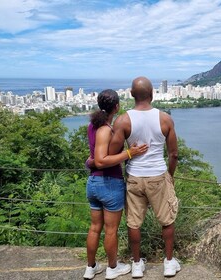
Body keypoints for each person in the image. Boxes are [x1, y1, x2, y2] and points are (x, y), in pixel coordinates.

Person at [109, 77, 180, 278]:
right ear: (152, 94)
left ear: (131, 94)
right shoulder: (165, 118)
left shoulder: (123, 120)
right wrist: (170, 176)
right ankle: (168, 262)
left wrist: (129, 154)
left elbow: (113, 154)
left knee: (134, 222)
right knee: (167, 220)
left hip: (134, 177)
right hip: (158, 175)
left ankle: (137, 264)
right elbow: (174, 154)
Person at [83, 89, 148, 280]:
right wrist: (130, 154)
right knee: (110, 230)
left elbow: (93, 158)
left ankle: (91, 267)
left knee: (95, 227)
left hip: (94, 183)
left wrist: (90, 162)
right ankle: (112, 268)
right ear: (117, 107)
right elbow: (102, 160)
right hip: (109, 183)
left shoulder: (92, 126)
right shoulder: (105, 129)